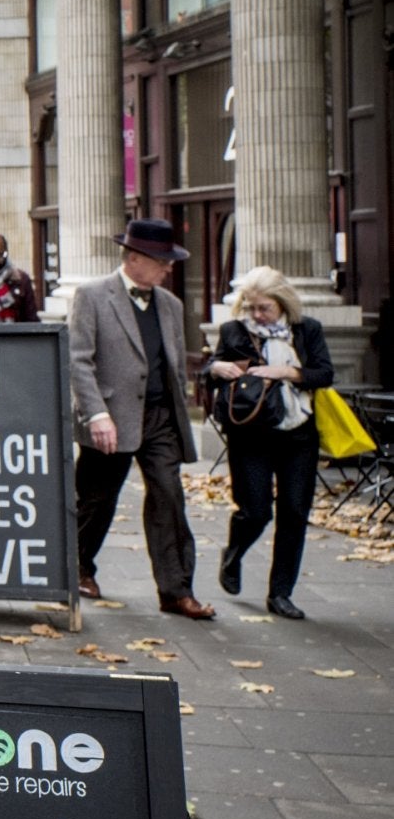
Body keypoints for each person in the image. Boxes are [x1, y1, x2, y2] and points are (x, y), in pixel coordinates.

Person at [70, 218, 214, 618]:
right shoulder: (92, 296)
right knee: (96, 499)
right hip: (110, 418)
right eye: (162, 261)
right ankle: (78, 566)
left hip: (160, 418)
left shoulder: (170, 305)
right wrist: (96, 413)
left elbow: (172, 364)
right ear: (134, 258)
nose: (169, 268)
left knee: (169, 497)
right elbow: (79, 362)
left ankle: (176, 591)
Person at [207, 266, 334, 620]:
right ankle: (234, 553)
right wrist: (217, 369)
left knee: (294, 512)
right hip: (251, 434)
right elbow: (213, 368)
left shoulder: (307, 331)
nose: (256, 315)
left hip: (299, 433)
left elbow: (324, 373)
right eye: (250, 307)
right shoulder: (234, 331)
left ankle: (281, 593)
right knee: (255, 510)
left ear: (283, 303)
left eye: (264, 308)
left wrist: (287, 372)